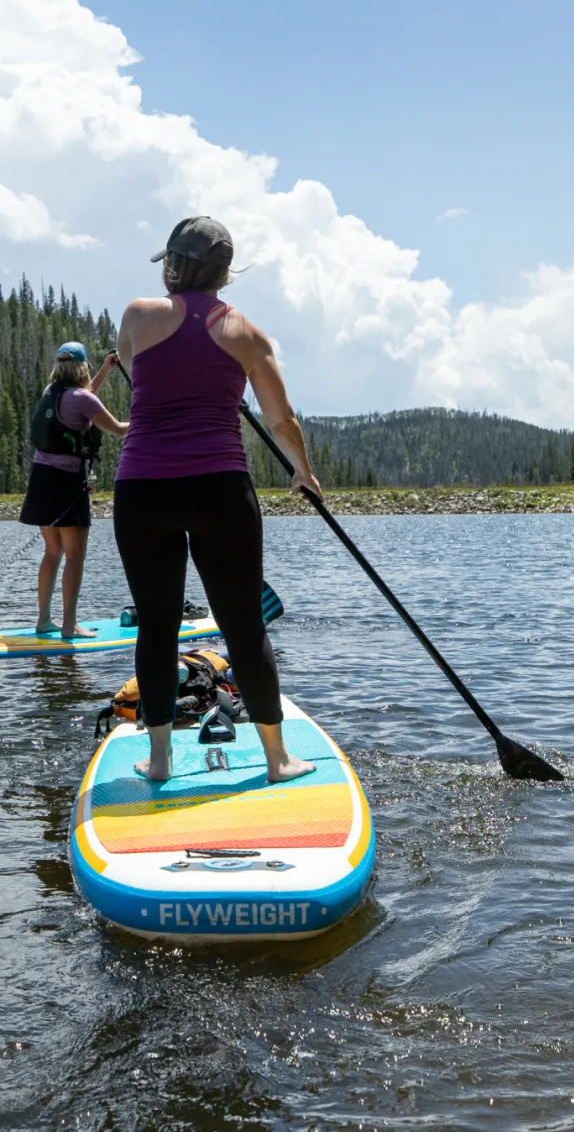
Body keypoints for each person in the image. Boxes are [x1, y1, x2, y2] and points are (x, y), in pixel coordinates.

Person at [114, 216, 322, 783]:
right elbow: (281, 420)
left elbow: (135, 370)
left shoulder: (137, 315)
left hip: (143, 491)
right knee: (243, 625)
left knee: (157, 625)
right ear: (225, 273)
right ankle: (277, 760)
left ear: (173, 265)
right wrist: (303, 472)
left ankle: (160, 760)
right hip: (220, 491)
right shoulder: (248, 335)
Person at [20, 341, 128, 639]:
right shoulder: (81, 398)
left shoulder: (51, 391)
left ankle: (44, 621)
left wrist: (106, 369)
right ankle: (70, 626)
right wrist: (154, 421)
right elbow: (118, 429)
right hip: (66, 483)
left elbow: (84, 398)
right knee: (75, 554)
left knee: (52, 551)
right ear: (82, 367)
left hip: (41, 480)